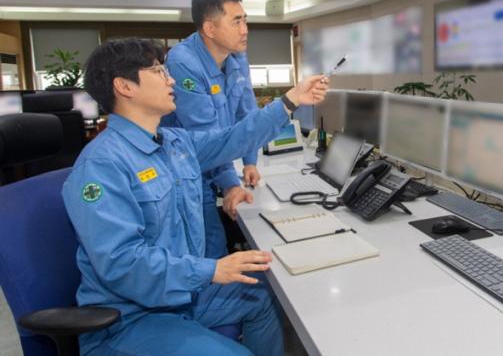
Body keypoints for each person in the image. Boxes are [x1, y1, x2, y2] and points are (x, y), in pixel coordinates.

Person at [62, 38, 328, 355]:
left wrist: (290, 100)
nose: (171, 79)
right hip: (129, 318)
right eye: (158, 71)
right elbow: (121, 263)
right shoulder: (102, 165)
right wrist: (210, 270)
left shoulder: (175, 142)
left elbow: (234, 138)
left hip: (184, 296)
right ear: (125, 86)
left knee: (266, 295)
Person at [162, 0, 263, 258]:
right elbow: (206, 135)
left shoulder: (236, 55)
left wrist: (250, 161)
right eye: (237, 22)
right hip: (187, 170)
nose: (245, 30)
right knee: (208, 250)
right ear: (210, 28)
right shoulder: (183, 62)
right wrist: (230, 183)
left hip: (216, 160)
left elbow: (247, 111)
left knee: (218, 243)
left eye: (245, 20)